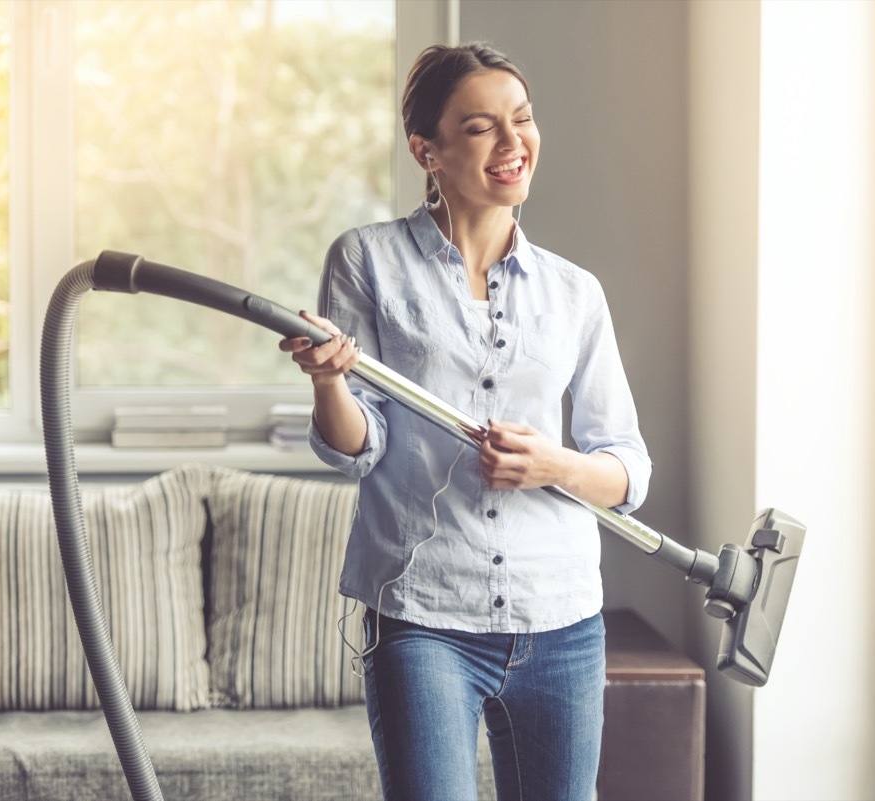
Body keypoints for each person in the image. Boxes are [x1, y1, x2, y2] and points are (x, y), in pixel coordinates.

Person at [279, 42, 651, 801]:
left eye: (523, 119)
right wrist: (329, 385)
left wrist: (555, 466)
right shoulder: (367, 261)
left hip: (563, 619)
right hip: (423, 616)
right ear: (428, 150)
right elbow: (358, 449)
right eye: (483, 128)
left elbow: (627, 469)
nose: (514, 144)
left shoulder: (575, 294)